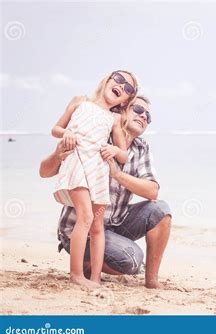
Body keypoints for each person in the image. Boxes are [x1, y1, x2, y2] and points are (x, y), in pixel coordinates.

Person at [40, 95, 171, 289]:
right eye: (138, 110)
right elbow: (44, 172)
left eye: (148, 116)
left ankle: (151, 281)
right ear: (122, 110)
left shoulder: (141, 148)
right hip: (80, 230)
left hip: (115, 223)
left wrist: (117, 175)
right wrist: (58, 154)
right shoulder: (98, 131)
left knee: (160, 210)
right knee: (132, 260)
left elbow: (152, 191)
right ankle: (85, 265)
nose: (144, 116)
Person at [50, 70, 138, 289]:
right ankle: (76, 275)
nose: (121, 86)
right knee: (86, 217)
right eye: (119, 79)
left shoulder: (115, 118)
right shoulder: (80, 101)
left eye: (128, 89)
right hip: (77, 161)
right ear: (107, 79)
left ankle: (95, 278)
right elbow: (56, 128)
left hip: (98, 169)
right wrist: (66, 134)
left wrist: (112, 148)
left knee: (97, 225)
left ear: (126, 99)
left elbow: (124, 154)